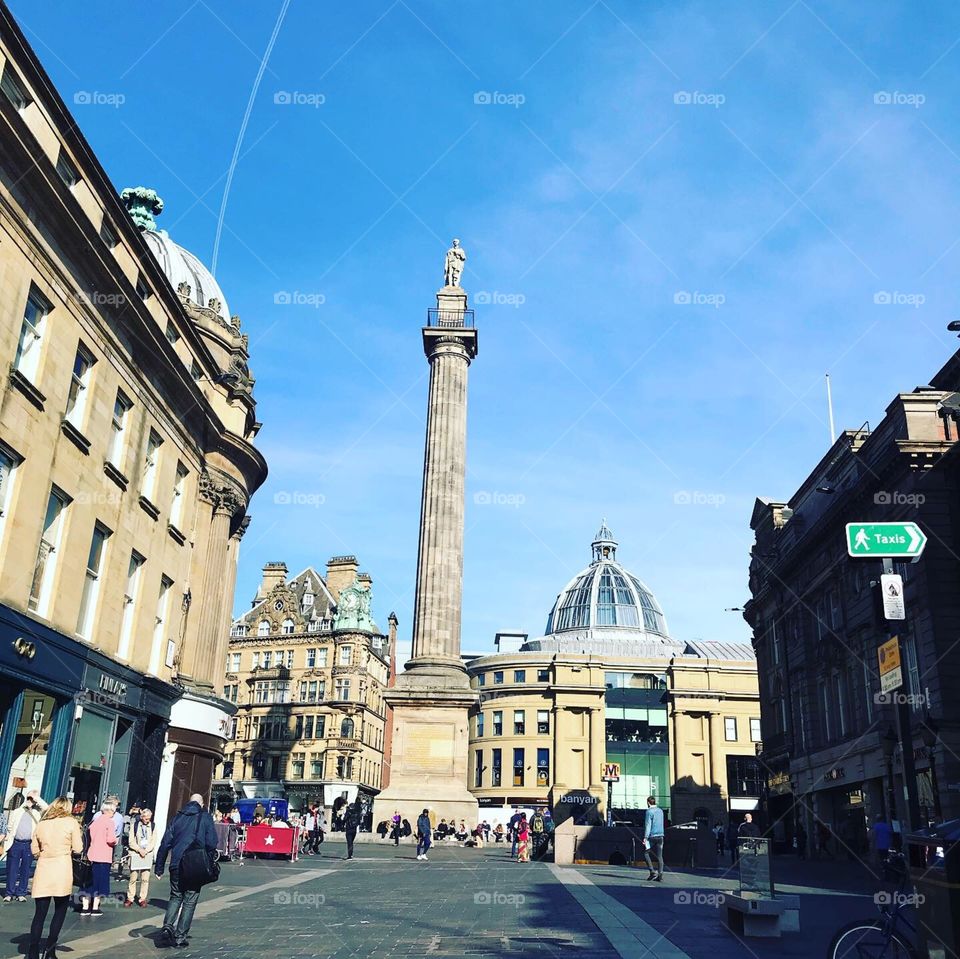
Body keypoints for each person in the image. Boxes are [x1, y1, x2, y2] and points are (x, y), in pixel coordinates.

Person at [155, 793, 217, 948]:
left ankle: (167, 927)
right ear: (202, 804)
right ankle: (180, 937)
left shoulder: (177, 818)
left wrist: (159, 867)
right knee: (189, 900)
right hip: (195, 865)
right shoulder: (205, 817)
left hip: (176, 863)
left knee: (175, 896)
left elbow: (165, 843)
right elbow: (212, 842)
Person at [27, 797, 82, 959]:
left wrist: (44, 854)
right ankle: (50, 951)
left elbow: (34, 849)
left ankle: (33, 951)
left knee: (40, 913)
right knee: (60, 911)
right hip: (62, 869)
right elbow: (78, 848)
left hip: (43, 868)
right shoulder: (71, 823)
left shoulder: (42, 823)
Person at [4, 791, 48, 902]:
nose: (30, 800)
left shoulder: (37, 813)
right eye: (28, 798)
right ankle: (9, 892)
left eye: (32, 799)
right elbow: (10, 827)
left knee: (25, 869)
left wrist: (37, 798)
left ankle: (21, 893)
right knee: (12, 868)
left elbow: (47, 808)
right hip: (16, 843)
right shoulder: (17, 811)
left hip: (29, 844)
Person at [81, 800, 117, 916]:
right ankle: (95, 908)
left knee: (89, 882)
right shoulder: (110, 822)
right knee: (100, 883)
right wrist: (116, 840)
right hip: (104, 856)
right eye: (114, 811)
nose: (114, 813)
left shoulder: (94, 822)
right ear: (110, 810)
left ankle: (85, 908)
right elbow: (110, 839)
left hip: (91, 855)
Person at [125, 807, 156, 907]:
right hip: (136, 853)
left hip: (147, 854)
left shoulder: (153, 826)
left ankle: (142, 898)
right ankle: (130, 897)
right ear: (142, 817)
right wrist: (139, 850)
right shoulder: (135, 825)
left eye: (149, 818)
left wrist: (146, 850)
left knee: (145, 879)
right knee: (133, 877)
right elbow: (131, 841)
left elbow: (153, 841)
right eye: (146, 818)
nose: (148, 820)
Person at [643, 795, 664, 881]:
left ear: (648, 803)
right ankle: (660, 874)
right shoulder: (660, 811)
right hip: (661, 836)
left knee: (646, 852)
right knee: (660, 856)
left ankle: (652, 872)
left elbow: (648, 825)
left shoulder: (649, 811)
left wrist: (645, 837)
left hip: (652, 836)